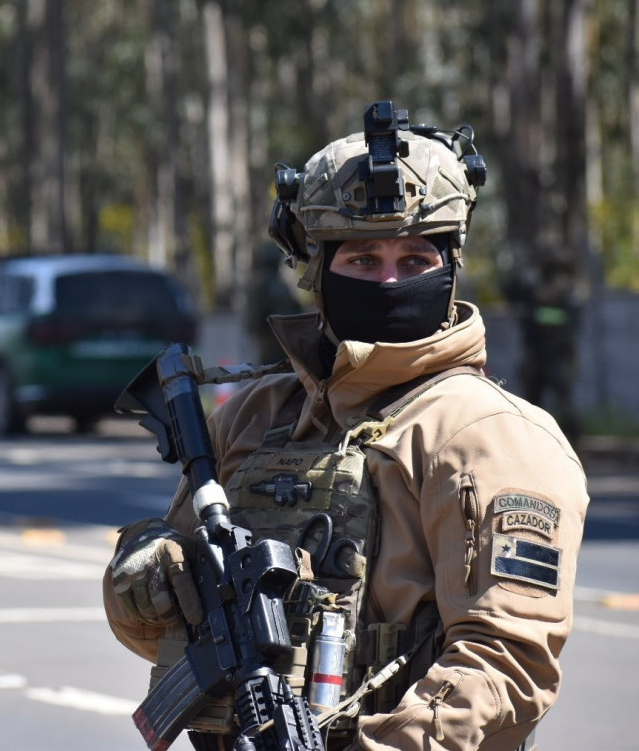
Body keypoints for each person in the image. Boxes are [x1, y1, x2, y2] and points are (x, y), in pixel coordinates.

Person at [103, 102, 588, 751]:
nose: (389, 279)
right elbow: (165, 627)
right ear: (317, 271)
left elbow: (506, 665)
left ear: (450, 269)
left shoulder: (492, 437)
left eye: (415, 260)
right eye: (362, 260)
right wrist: (146, 577)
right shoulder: (258, 414)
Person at [501, 242, 583, 443]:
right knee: (531, 402)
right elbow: (508, 291)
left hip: (559, 353)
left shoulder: (567, 290)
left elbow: (572, 321)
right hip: (535, 352)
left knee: (563, 401)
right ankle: (531, 442)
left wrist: (537, 313)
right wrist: (519, 267)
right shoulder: (532, 285)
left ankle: (574, 443)